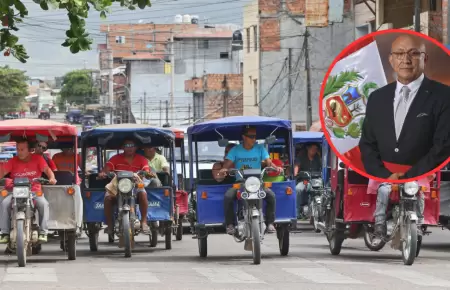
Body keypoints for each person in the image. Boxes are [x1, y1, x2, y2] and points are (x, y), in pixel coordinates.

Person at [359, 33, 450, 180]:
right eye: (399, 54)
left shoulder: (444, 95)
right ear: (391, 60)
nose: (406, 60)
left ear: (424, 59)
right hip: (382, 182)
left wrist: (408, 177)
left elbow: (443, 147)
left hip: (423, 182)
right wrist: (384, 176)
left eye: (413, 53)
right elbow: (367, 144)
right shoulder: (377, 97)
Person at [218, 126, 283, 235]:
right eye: (251, 136)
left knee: (271, 195)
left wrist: (276, 168)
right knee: (228, 196)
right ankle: (230, 225)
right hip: (241, 183)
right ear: (244, 137)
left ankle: (270, 223)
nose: (254, 139)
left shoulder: (260, 148)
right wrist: (224, 169)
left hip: (258, 182)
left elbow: (268, 162)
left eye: (255, 136)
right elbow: (227, 164)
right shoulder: (235, 150)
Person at [0, 138, 57, 243]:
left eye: (22, 149)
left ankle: (43, 232)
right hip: (15, 191)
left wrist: (52, 178)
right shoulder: (12, 161)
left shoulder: (38, 159)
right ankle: (4, 233)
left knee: (43, 204)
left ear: (29, 150)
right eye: (18, 149)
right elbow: (2, 171)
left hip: (34, 191)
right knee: (4, 203)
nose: (19, 152)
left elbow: (48, 170)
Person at [99, 139, 151, 234]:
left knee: (143, 194)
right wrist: (104, 173)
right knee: (107, 198)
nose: (130, 147)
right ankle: (110, 225)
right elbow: (106, 169)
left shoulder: (142, 159)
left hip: (135, 186)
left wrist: (145, 173)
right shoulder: (115, 158)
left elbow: (146, 170)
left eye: (132, 145)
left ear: (136, 148)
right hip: (118, 186)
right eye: (127, 145)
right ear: (123, 147)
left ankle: (144, 222)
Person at [371, 174, 435, 236]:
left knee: (419, 193)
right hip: (390, 181)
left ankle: (418, 224)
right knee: (383, 190)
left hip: (411, 183)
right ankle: (379, 223)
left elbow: (430, 174)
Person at [295, 143, 322, 218]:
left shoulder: (318, 157)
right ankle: (297, 211)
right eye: (312, 148)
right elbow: (296, 167)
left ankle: (321, 211)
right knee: (298, 189)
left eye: (316, 149)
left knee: (324, 190)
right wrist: (296, 173)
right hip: (305, 180)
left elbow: (323, 167)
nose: (314, 150)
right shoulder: (301, 157)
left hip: (316, 180)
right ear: (308, 148)